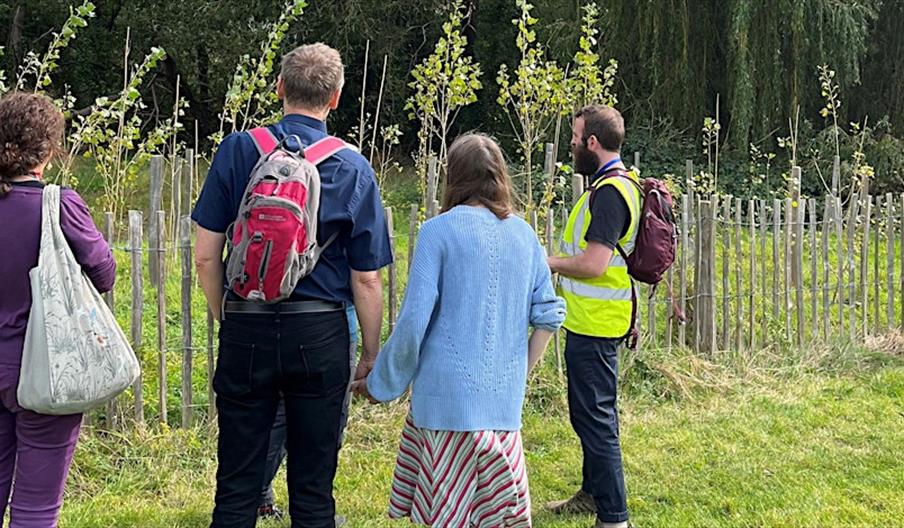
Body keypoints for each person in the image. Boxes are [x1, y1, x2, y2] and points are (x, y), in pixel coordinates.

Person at [192, 43, 392, 528]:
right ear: (337, 98)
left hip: (247, 326)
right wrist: (368, 352)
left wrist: (229, 314)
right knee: (313, 488)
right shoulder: (353, 166)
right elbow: (366, 277)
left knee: (237, 485)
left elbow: (204, 254)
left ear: (279, 87)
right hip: (320, 335)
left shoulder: (239, 149)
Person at [355, 134, 566, 527]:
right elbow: (550, 316)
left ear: (453, 177)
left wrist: (381, 382)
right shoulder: (526, 235)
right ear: (499, 177)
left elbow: (414, 322)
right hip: (502, 412)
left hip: (443, 406)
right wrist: (519, 372)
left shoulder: (437, 231)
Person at [0, 92, 116, 527]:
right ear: (48, 149)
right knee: (36, 506)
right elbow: (104, 274)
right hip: (49, 366)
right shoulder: (57, 205)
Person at [545, 105, 640, 528]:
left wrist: (546, 261)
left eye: (575, 138)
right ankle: (592, 493)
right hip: (592, 319)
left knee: (595, 418)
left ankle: (614, 517)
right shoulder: (615, 184)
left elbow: (594, 264)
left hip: (596, 323)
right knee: (593, 413)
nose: (572, 145)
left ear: (593, 143)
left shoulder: (609, 194)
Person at [258, 304, 357, 525]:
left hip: (261, 319)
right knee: (325, 429)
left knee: (275, 418)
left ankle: (256, 497)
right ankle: (313, 514)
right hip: (330, 324)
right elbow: (366, 280)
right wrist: (371, 353)